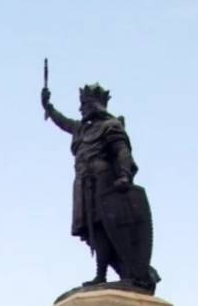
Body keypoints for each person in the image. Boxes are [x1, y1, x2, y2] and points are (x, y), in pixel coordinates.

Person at [41, 81, 158, 293]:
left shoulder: (110, 126)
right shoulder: (81, 129)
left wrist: (124, 175)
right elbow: (63, 123)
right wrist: (48, 108)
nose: (81, 109)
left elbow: (122, 152)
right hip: (83, 184)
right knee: (92, 230)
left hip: (104, 182)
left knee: (105, 225)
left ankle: (129, 271)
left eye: (85, 105)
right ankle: (101, 274)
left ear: (95, 106)